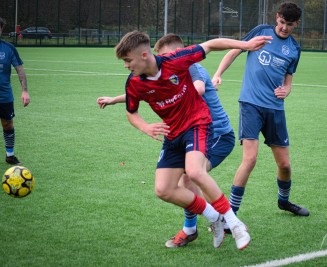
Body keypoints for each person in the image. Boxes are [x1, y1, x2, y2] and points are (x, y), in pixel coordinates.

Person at [112, 31, 271, 250]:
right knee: (164, 190)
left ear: (144, 55)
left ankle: (235, 225)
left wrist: (246, 44)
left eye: (128, 60)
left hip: (197, 123)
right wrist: (145, 126)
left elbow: (212, 44)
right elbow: (132, 111)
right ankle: (213, 216)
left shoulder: (176, 60)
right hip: (173, 134)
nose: (126, 65)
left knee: (194, 172)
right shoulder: (134, 83)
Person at [97, 33, 236, 248]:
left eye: (165, 56)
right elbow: (154, 89)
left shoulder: (189, 66)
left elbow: (196, 88)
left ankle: (217, 221)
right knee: (177, 182)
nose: (161, 61)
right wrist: (116, 99)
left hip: (217, 134)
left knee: (191, 175)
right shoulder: (160, 71)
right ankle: (201, 223)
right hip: (187, 131)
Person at [212, 1, 309, 222]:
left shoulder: (294, 49)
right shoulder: (261, 32)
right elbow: (235, 52)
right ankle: (230, 216)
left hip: (275, 109)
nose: (284, 27)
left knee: (284, 164)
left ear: (297, 24)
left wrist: (287, 90)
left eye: (290, 24)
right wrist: (218, 73)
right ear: (277, 17)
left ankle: (283, 201)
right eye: (282, 22)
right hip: (251, 105)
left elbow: (289, 78)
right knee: (250, 159)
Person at [0, 17, 30, 165]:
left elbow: (20, 71)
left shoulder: (9, 48)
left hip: (4, 96)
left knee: (8, 125)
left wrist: (25, 91)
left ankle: (10, 155)